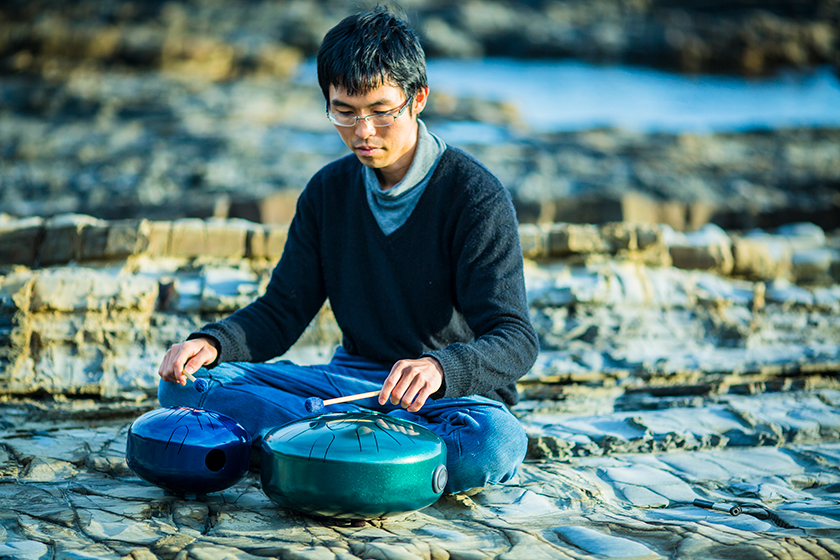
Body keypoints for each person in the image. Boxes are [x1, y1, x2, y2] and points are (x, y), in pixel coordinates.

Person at [157, 5, 539, 494]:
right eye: (344, 111)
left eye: (382, 111)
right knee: (185, 387)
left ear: (418, 98)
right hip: (346, 387)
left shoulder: (474, 196)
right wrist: (211, 344)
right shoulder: (327, 192)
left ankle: (309, 450)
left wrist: (441, 368)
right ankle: (372, 461)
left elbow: (516, 338)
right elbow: (282, 310)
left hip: (449, 401)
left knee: (494, 444)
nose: (362, 131)